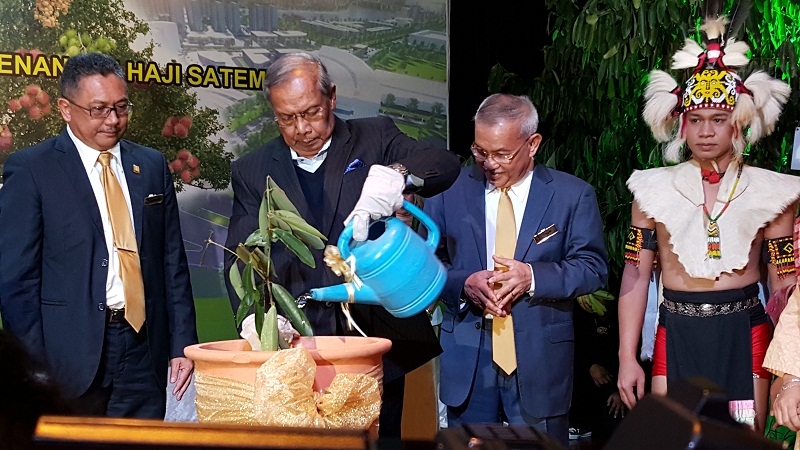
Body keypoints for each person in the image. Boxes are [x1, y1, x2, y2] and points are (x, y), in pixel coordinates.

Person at [224, 51, 460, 438]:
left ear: (331, 97)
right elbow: (241, 257)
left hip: (375, 338)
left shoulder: (375, 136)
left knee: (379, 440)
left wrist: (398, 176)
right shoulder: (253, 169)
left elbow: (443, 162)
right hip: (300, 343)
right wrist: (253, 318)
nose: (302, 128)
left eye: (312, 112)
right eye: (287, 118)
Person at [616, 16, 800, 433]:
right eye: (695, 120)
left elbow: (784, 285)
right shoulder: (650, 191)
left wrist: (791, 370)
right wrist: (628, 358)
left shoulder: (773, 194)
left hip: (744, 332)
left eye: (717, 119)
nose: (704, 131)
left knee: (742, 437)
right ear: (681, 124)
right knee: (673, 436)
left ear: (737, 122)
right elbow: (634, 273)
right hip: (675, 330)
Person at [0, 53, 197, 418]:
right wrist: (35, 367)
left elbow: (172, 262)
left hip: (144, 350)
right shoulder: (31, 169)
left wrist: (181, 343)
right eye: (99, 109)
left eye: (121, 108)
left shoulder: (151, 165)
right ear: (64, 108)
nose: (113, 120)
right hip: (68, 358)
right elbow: (16, 280)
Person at [423, 93, 608, 448]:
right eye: (480, 152)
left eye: (501, 154)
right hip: (468, 357)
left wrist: (532, 277)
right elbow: (428, 262)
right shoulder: (451, 189)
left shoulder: (572, 195)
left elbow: (592, 267)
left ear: (533, 143)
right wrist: (464, 285)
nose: (488, 163)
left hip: (539, 359)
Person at [569, 291, 626, 443]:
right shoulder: (578, 312)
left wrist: (620, 390)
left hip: (615, 383)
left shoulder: (623, 313)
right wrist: (590, 366)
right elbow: (574, 349)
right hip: (583, 384)